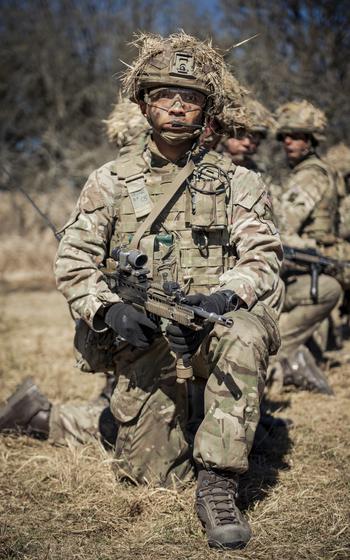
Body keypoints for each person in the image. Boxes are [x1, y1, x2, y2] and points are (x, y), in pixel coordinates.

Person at [0, 32, 282, 550]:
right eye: (164, 96)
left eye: (190, 98)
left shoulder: (239, 182)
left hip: (210, 328)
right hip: (145, 335)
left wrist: (224, 297)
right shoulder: (109, 180)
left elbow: (263, 258)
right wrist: (107, 312)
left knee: (242, 332)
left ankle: (218, 484)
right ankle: (44, 417)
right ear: (144, 103)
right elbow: (73, 261)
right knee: (152, 476)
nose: (176, 108)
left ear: (206, 109)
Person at [269, 100, 342, 392]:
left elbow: (283, 228)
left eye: (297, 136)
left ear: (311, 140)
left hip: (307, 261)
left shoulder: (310, 174)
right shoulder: (322, 170)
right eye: (285, 136)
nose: (289, 141)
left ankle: (274, 355)